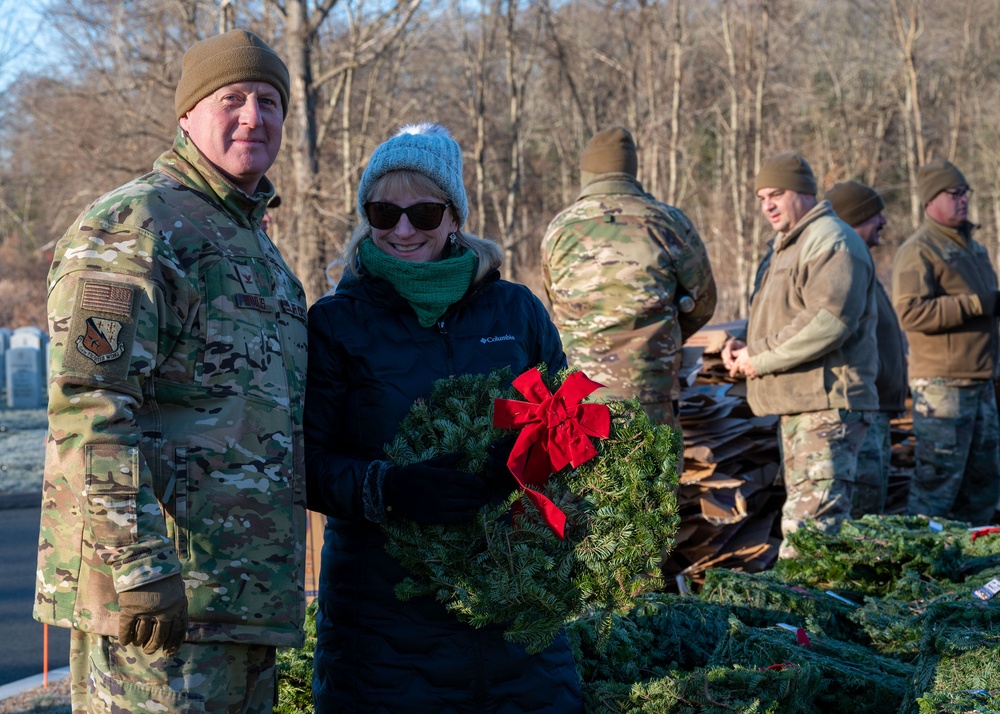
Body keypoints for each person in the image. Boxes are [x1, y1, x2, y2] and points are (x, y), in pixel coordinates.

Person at [33, 29, 308, 713]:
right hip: (159, 612)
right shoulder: (136, 227)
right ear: (188, 115)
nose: (254, 116)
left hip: (241, 605)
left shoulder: (259, 250)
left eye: (270, 101)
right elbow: (91, 405)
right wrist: (141, 566)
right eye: (233, 97)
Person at [304, 123, 583, 712]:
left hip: (517, 618)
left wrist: (530, 473)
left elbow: (570, 423)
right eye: (385, 212)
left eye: (424, 213)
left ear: (454, 218)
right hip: (382, 631)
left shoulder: (516, 310)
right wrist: (392, 489)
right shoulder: (335, 323)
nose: (403, 230)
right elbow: (305, 463)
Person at [722, 153, 878, 558]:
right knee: (811, 528)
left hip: (826, 406)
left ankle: (807, 617)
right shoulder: (785, 248)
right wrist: (743, 346)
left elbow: (827, 321)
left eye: (777, 193)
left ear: (806, 193)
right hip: (803, 405)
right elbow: (781, 316)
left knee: (812, 535)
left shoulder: (832, 240)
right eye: (760, 197)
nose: (767, 205)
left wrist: (761, 360)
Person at [541, 125, 716, 429]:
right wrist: (659, 342)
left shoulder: (560, 230)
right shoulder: (667, 222)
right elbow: (703, 303)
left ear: (588, 174)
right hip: (650, 393)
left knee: (589, 477)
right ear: (629, 171)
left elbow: (554, 301)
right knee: (654, 474)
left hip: (581, 398)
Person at [892, 159, 1000, 525]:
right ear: (929, 202)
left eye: (965, 193)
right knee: (936, 486)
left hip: (981, 381)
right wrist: (974, 304)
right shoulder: (919, 249)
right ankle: (920, 566)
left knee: (984, 483)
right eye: (954, 194)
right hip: (943, 387)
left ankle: (979, 565)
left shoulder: (974, 248)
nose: (963, 200)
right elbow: (910, 313)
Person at [826, 180, 907, 516]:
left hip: (875, 408)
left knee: (873, 512)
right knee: (860, 515)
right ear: (853, 220)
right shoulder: (841, 266)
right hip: (856, 409)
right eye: (875, 215)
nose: (884, 222)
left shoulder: (864, 264)